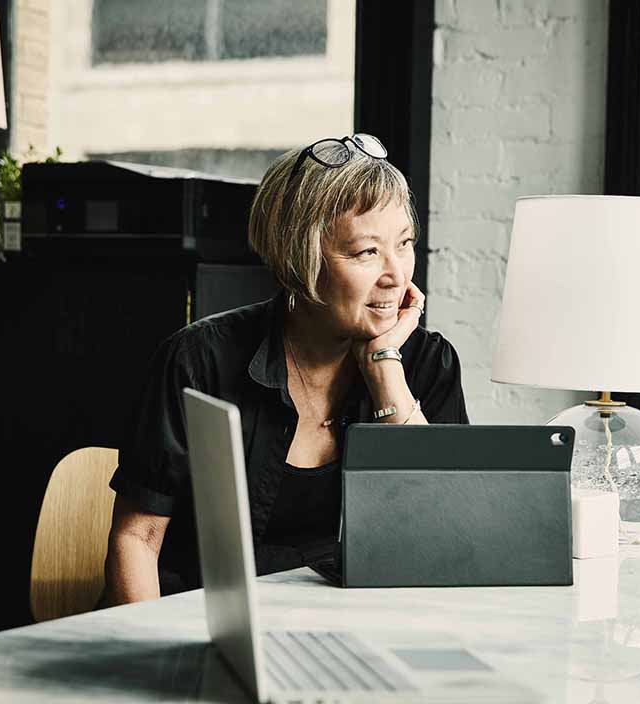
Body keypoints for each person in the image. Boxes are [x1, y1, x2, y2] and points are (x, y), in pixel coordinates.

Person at [104, 134, 468, 603]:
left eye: (404, 244)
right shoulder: (198, 361)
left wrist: (386, 372)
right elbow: (137, 539)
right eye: (366, 252)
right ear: (301, 258)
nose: (396, 273)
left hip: (356, 636)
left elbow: (453, 538)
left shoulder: (426, 363)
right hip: (201, 625)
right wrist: (154, 659)